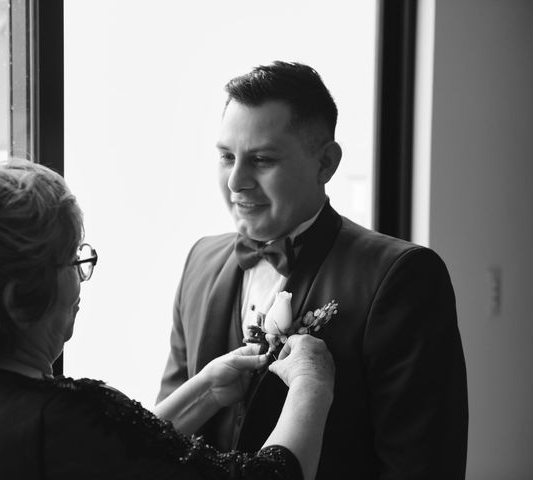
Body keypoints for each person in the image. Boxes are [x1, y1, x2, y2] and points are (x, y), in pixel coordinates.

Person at [0, 159, 335, 480]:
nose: (81, 283)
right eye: (72, 262)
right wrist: (312, 383)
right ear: (18, 298)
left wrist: (203, 393)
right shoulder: (60, 419)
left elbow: (110, 463)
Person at [157, 61, 468, 479]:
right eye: (226, 156)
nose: (236, 181)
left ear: (326, 164)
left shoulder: (401, 276)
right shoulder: (200, 260)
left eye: (262, 159)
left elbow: (422, 465)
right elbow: (156, 444)